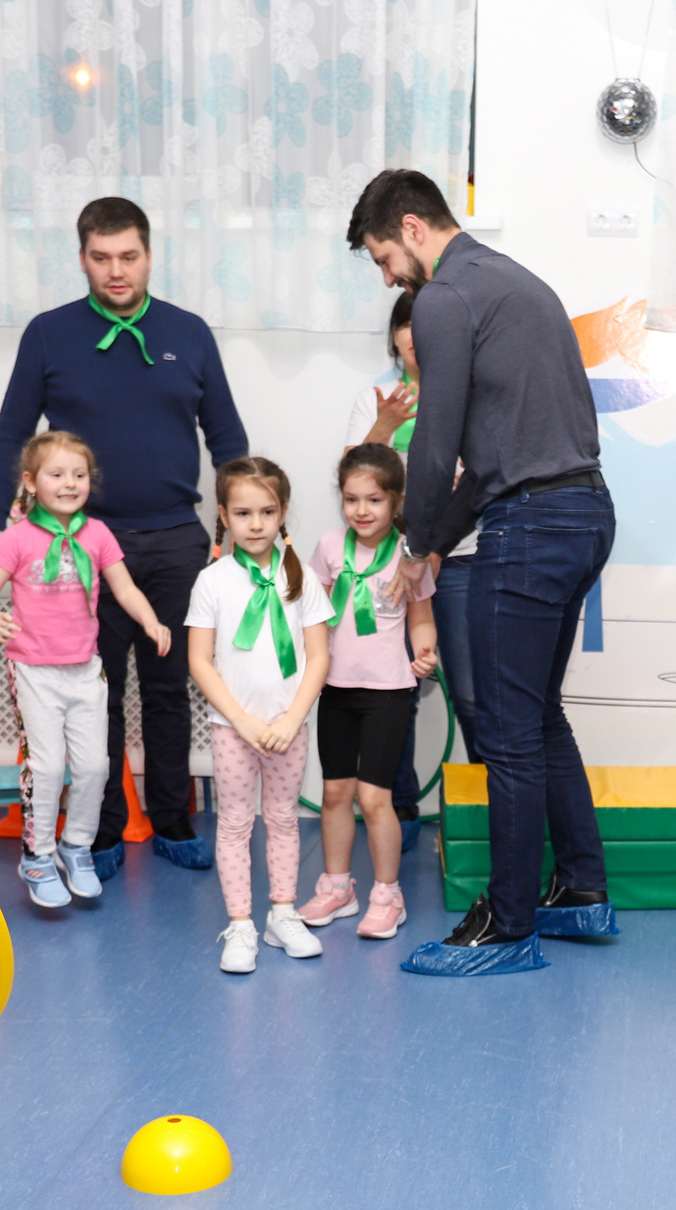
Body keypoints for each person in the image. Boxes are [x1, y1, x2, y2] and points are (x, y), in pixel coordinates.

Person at [346, 169, 615, 971]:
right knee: (537, 719)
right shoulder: (515, 282)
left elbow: (439, 443)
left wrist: (412, 538)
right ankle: (583, 891)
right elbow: (499, 459)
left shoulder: (444, 296)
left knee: (504, 733)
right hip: (583, 512)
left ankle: (509, 923)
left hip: (530, 527)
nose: (390, 277)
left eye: (383, 257)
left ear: (410, 226)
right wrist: (431, 542)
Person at [0, 197, 249, 876]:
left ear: (149, 255)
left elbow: (228, 440)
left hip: (174, 542)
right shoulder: (48, 333)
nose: (116, 271)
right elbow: (12, 434)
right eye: (101, 258)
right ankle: (93, 835)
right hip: (77, 551)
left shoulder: (188, 332)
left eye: (128, 256)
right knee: (92, 694)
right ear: (82, 260)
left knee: (168, 688)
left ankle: (171, 817)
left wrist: (234, 532)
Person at [0, 430, 170, 911]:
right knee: (46, 766)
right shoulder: (18, 538)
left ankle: (75, 845)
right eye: (57, 474)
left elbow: (123, 589)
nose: (69, 483)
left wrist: (151, 620)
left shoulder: (97, 534)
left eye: (78, 475)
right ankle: (37, 857)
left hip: (85, 669)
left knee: (94, 765)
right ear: (31, 482)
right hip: (34, 670)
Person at [185, 458, 332, 974]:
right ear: (223, 515)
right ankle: (242, 923)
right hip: (233, 728)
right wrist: (243, 722)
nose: (255, 524)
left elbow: (318, 656)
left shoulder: (304, 578)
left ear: (283, 513)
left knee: (285, 820)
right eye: (243, 512)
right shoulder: (212, 581)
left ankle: (283, 914)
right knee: (233, 824)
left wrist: (292, 718)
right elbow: (199, 660)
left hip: (288, 727)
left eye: (267, 512)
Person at [295, 445, 436, 941]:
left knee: (376, 798)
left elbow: (420, 617)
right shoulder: (331, 546)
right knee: (335, 792)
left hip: (388, 692)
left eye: (373, 500)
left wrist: (425, 652)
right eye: (351, 499)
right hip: (335, 689)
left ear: (395, 502)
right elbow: (311, 610)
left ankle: (387, 894)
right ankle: (338, 887)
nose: (361, 510)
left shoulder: (409, 555)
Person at [347, 286, 481, 797]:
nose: (416, 338)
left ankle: (486, 806)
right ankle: (394, 805)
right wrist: (384, 426)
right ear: (395, 337)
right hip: (391, 566)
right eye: (407, 326)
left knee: (471, 695)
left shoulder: (471, 397)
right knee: (392, 691)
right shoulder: (375, 398)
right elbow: (354, 477)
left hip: (464, 561)